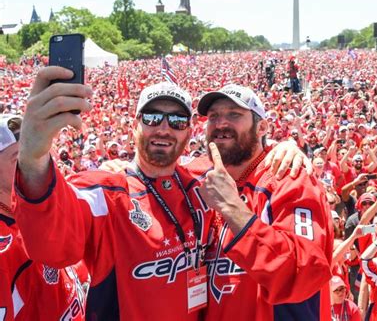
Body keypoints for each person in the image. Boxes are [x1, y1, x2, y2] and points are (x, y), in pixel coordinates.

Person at [12, 67, 310, 320]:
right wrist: (33, 160)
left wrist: (280, 148)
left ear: (190, 131)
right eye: (153, 118)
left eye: (177, 121)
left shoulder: (202, 184)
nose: (164, 129)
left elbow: (245, 163)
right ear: (135, 127)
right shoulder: (104, 192)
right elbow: (51, 244)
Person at [195, 84, 333, 320]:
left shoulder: (289, 177)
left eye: (234, 114)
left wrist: (232, 207)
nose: (220, 124)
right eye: (213, 116)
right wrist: (119, 170)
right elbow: (151, 172)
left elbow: (303, 271)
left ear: (262, 127)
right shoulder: (199, 175)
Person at [0, 114, 88, 321]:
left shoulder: (51, 203)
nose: (34, 164)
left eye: (39, 152)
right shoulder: (4, 252)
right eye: (20, 157)